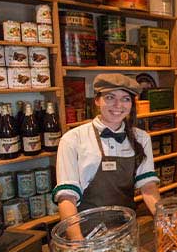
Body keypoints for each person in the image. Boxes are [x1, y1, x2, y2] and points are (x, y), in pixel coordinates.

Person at [53, 74, 161, 237]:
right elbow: (67, 197)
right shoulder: (73, 139)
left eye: (125, 99)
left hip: (125, 230)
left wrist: (165, 221)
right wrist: (77, 242)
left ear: (132, 104)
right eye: (110, 97)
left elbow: (148, 187)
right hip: (85, 233)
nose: (118, 105)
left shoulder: (141, 138)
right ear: (97, 100)